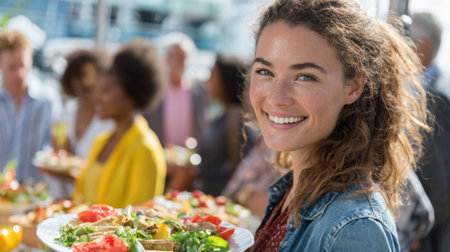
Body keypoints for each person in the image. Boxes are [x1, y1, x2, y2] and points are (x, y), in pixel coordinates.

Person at [247, 0, 430, 251]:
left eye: (305, 77)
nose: (277, 97)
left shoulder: (355, 229)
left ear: (353, 86)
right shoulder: (294, 189)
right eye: (265, 71)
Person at [74, 39, 167, 208]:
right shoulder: (100, 141)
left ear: (131, 92)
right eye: (99, 89)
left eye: (106, 90)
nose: (98, 98)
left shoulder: (145, 149)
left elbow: (139, 219)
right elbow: (79, 200)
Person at [410, 12, 450, 252]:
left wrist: (417, 229)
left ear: (423, 47)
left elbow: (441, 183)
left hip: (429, 237)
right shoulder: (432, 88)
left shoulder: (436, 100)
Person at [0, 30, 52, 181]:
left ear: (31, 60)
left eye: (23, 65)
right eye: (12, 67)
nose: (19, 74)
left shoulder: (47, 99)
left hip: (36, 193)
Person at [143, 32, 207, 147]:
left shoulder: (201, 92)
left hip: (188, 160)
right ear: (166, 58)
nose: (182, 62)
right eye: (177, 57)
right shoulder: (152, 90)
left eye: (185, 57)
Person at [59, 49, 114, 158]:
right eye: (73, 78)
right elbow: (58, 155)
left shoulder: (111, 121)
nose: (77, 83)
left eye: (82, 75)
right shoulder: (65, 114)